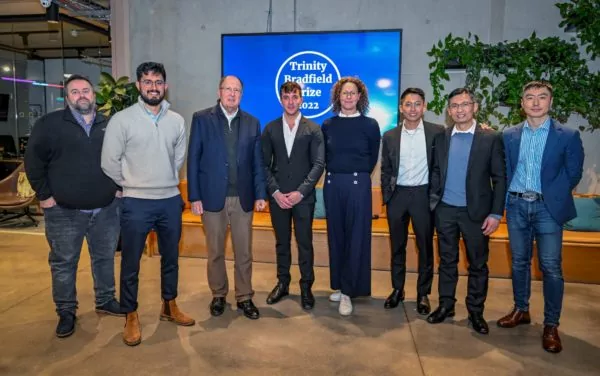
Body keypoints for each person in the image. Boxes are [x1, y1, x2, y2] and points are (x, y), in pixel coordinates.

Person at [101, 62, 194, 347]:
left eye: (158, 81)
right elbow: (108, 163)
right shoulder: (122, 120)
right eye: (147, 81)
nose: (153, 86)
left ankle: (169, 305)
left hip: (169, 200)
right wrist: (132, 183)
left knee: (171, 259)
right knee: (130, 263)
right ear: (139, 86)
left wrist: (163, 180)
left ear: (165, 86)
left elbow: (177, 160)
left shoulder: (176, 121)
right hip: (136, 202)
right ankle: (131, 313)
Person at [25, 74, 122, 338]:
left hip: (106, 209)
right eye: (75, 92)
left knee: (104, 258)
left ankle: (105, 300)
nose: (82, 95)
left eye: (86, 91)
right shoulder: (50, 124)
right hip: (64, 212)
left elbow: (122, 157)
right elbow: (33, 162)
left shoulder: (109, 124)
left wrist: (120, 187)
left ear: (94, 95)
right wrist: (44, 195)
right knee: (64, 263)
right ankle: (66, 311)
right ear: (67, 98)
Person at [497, 81, 584, 353]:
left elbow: (573, 173)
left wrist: (554, 196)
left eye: (542, 97)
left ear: (550, 102)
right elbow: (506, 170)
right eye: (530, 98)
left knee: (551, 266)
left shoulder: (567, 135)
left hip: (548, 209)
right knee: (520, 262)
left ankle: (551, 324)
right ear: (521, 104)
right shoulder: (509, 135)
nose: (535, 102)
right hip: (517, 206)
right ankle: (521, 310)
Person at [187, 75, 267, 320]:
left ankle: (244, 296)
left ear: (242, 94)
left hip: (243, 198)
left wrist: (261, 194)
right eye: (228, 89)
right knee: (215, 251)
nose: (232, 94)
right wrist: (194, 196)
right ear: (219, 91)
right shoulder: (202, 119)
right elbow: (194, 159)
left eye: (237, 90)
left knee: (244, 252)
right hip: (212, 198)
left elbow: (257, 163)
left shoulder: (253, 123)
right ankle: (218, 295)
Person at [427, 87, 506, 334]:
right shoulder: (442, 137)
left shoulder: (490, 138)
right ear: (449, 111)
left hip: (478, 214)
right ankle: (446, 305)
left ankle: (475, 312)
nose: (459, 110)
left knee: (478, 265)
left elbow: (500, 178)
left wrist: (495, 213)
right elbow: (436, 171)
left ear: (475, 107)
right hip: (446, 211)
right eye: (454, 106)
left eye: (464, 104)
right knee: (447, 262)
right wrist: (434, 202)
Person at [261, 81, 325, 310]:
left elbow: (318, 164)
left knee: (305, 244)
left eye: (295, 97)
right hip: (278, 198)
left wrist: (300, 192)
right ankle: (283, 283)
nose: (290, 101)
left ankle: (306, 286)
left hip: (303, 199)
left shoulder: (313, 129)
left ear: (301, 100)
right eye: (286, 97)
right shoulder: (270, 129)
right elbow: (263, 164)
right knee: (282, 243)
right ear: (281, 99)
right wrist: (275, 192)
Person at [380, 88, 444, 315]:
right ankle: (397, 290)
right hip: (397, 196)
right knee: (397, 247)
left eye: (417, 104)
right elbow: (386, 169)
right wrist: (387, 195)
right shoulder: (389, 136)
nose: (413, 109)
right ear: (401, 108)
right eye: (408, 104)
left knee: (425, 248)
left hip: (423, 196)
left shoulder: (438, 132)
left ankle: (423, 294)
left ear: (424, 106)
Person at [322, 77, 381, 316]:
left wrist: (353, 174)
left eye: (352, 93)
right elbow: (324, 157)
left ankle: (349, 291)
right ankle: (340, 284)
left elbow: (371, 158)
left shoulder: (370, 124)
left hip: (358, 185)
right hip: (332, 184)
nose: (348, 96)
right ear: (338, 97)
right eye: (344, 93)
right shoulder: (328, 124)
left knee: (356, 237)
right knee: (336, 237)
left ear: (359, 97)